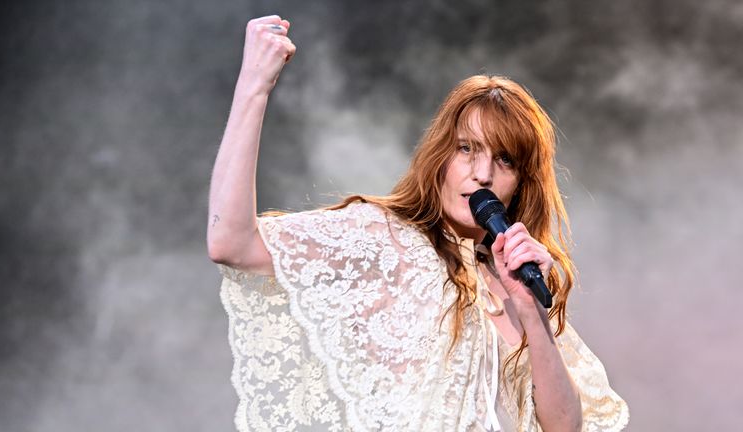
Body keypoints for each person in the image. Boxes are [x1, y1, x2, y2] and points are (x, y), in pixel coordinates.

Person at [207, 15, 629, 432]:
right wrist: (254, 88)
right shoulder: (382, 235)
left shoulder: (512, 280)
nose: (482, 173)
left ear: (520, 183)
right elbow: (232, 244)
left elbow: (565, 428)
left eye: (504, 159)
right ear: (441, 156)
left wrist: (533, 317)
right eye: (467, 148)